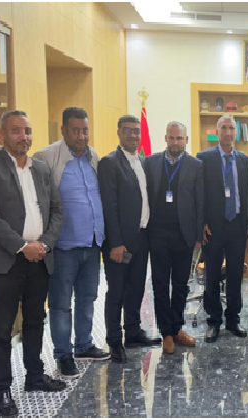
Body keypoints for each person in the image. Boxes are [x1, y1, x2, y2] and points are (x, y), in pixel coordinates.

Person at [0, 110, 66, 417]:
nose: (23, 136)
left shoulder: (41, 168)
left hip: (40, 259)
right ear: (3, 134)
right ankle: (2, 390)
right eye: (16, 131)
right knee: (2, 328)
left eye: (27, 131)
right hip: (7, 261)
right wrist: (23, 246)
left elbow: (57, 211)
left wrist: (44, 244)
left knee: (35, 320)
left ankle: (34, 376)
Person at [33, 107, 109, 379]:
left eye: (85, 130)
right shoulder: (46, 157)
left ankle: (84, 345)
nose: (81, 136)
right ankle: (63, 354)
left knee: (88, 298)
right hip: (63, 246)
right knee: (61, 304)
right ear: (63, 130)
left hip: (92, 243)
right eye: (75, 130)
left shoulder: (93, 157)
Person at [98, 115, 161, 364]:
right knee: (117, 291)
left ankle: (133, 333)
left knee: (136, 288)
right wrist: (115, 242)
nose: (134, 135)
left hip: (141, 236)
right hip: (120, 242)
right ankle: (114, 340)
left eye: (137, 131)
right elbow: (109, 205)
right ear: (119, 133)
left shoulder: (142, 161)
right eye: (128, 131)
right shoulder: (109, 163)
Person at [144, 121, 204, 353]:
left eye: (179, 138)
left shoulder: (195, 165)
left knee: (181, 285)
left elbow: (199, 201)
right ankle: (166, 333)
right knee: (160, 285)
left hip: (183, 234)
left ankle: (177, 328)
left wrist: (197, 235)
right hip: (158, 233)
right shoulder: (150, 163)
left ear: (186, 140)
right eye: (172, 137)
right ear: (166, 138)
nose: (175, 142)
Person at [197, 115, 248, 343]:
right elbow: (199, 193)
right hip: (213, 227)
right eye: (224, 128)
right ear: (217, 132)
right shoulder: (204, 158)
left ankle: (233, 319)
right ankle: (213, 321)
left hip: (237, 225)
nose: (228, 132)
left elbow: (247, 194)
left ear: (235, 132)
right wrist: (202, 222)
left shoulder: (244, 160)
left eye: (231, 128)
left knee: (235, 274)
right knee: (212, 275)